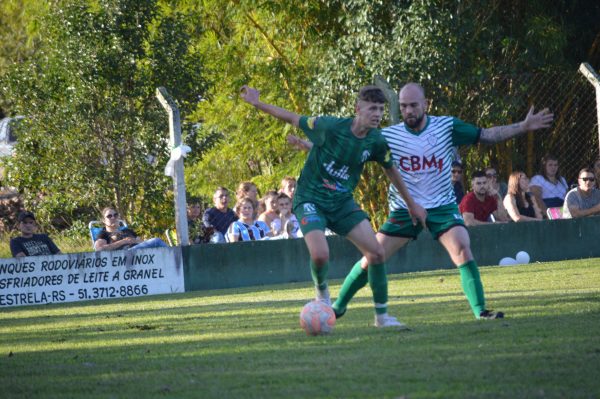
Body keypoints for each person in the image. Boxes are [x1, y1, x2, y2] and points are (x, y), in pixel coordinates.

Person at [332, 82, 553, 322]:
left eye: (414, 105)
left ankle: (481, 311)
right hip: (405, 209)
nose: (408, 111)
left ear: (426, 105)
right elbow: (352, 150)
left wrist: (523, 126)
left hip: (442, 206)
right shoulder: (388, 136)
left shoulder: (446, 126)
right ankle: (337, 307)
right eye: (404, 106)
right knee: (372, 257)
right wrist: (316, 147)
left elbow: (486, 134)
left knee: (461, 246)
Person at [241, 84, 427, 328]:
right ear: (357, 108)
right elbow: (292, 116)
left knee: (377, 253)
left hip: (341, 202)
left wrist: (412, 205)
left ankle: (382, 318)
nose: (378, 114)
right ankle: (322, 294)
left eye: (381, 109)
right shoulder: (330, 127)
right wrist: (257, 103)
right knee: (320, 255)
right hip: (310, 199)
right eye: (372, 108)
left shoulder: (376, 140)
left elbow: (391, 170)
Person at [94, 207, 167, 251]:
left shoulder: (127, 230)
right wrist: (123, 242)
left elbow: (141, 242)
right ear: (104, 220)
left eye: (115, 215)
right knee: (156, 241)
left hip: (139, 254)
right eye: (109, 216)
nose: (113, 217)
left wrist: (135, 241)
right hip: (124, 255)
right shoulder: (103, 234)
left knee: (155, 244)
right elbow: (99, 249)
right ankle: (176, 257)